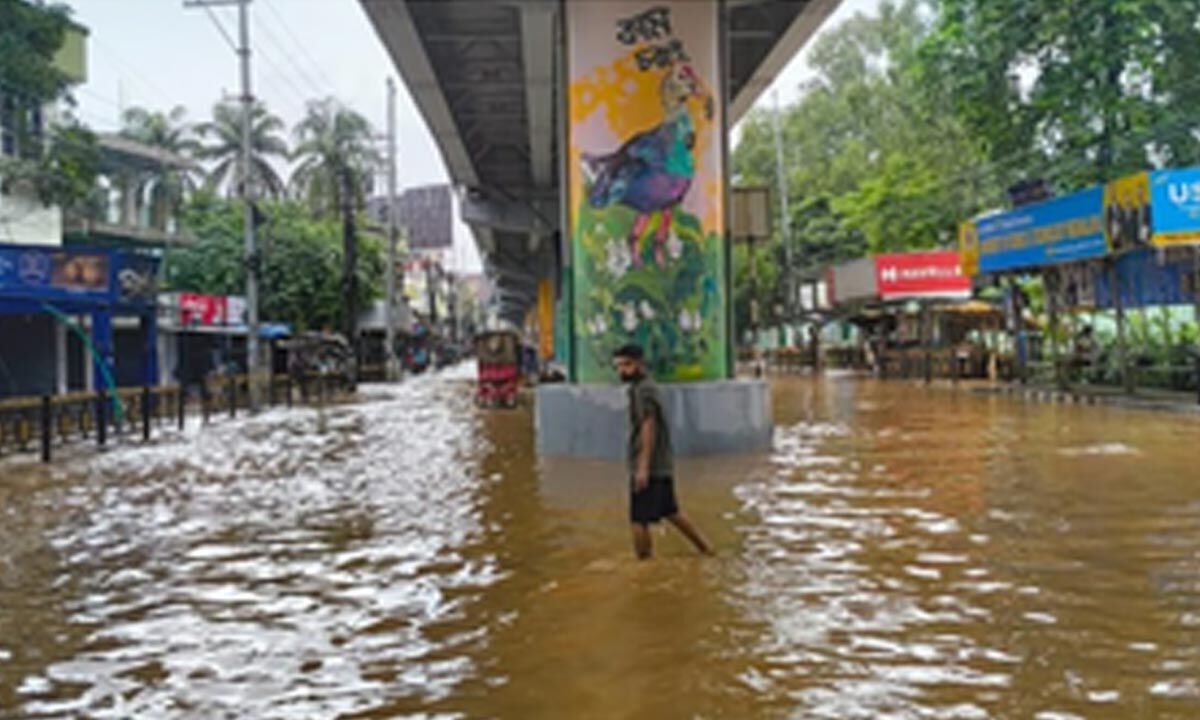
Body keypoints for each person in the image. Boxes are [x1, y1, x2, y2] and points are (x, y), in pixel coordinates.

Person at [612, 344, 714, 560]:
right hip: (661, 463)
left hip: (650, 464)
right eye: (619, 366)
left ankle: (644, 566)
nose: (622, 371)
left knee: (638, 519)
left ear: (639, 363)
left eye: (626, 365)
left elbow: (649, 425)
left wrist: (642, 466)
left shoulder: (643, 390)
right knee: (671, 511)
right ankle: (706, 550)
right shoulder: (644, 388)